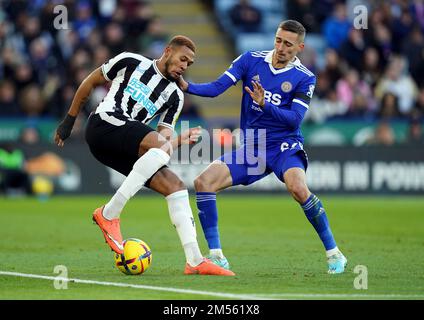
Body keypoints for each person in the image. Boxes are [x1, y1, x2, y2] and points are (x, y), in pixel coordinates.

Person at [54, 35, 234, 276]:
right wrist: (69, 120)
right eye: (182, 59)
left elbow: (163, 143)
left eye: (189, 64)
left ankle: (194, 260)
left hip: (124, 144)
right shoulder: (130, 61)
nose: (184, 67)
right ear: (168, 51)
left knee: (176, 185)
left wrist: (178, 140)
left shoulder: (175, 96)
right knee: (160, 149)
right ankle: (110, 213)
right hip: (104, 125)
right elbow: (90, 81)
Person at [178, 20, 347, 274]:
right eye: (278, 40)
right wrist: (188, 87)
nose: (280, 47)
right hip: (253, 146)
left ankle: (334, 253)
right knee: (204, 182)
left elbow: (294, 119)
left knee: (298, 188)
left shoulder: (305, 77)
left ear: (299, 47)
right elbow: (216, 89)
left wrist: (265, 104)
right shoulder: (250, 60)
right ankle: (216, 256)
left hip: (284, 146)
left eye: (288, 44)